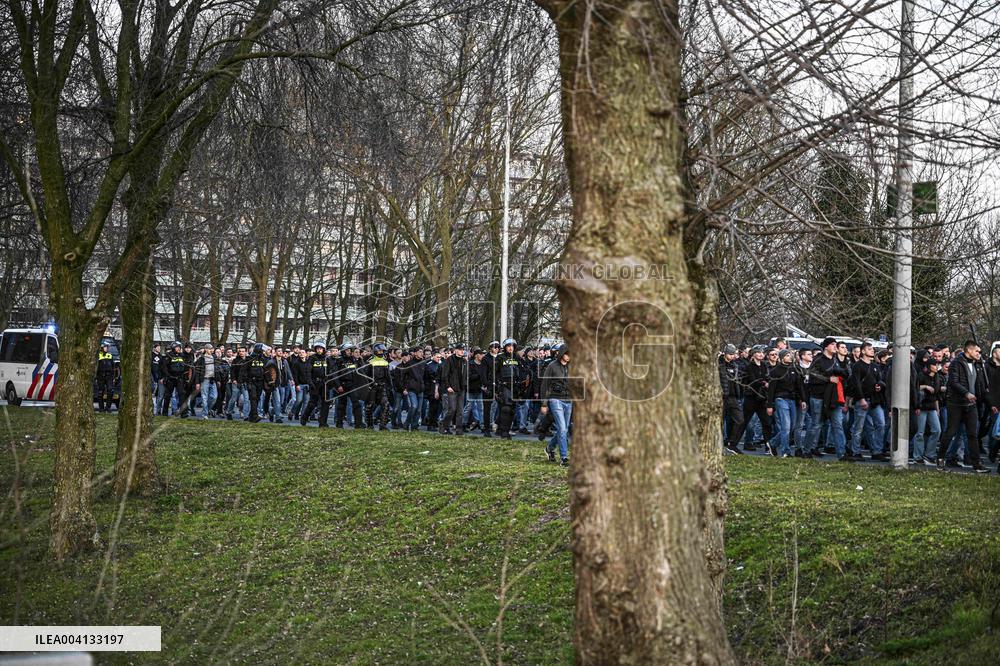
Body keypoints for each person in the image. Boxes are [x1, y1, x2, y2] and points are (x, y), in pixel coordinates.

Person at [936, 339, 990, 473]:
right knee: (950, 432)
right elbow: (953, 382)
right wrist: (966, 393)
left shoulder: (977, 364)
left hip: (971, 404)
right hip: (956, 403)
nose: (979, 354)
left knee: (972, 434)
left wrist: (984, 395)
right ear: (969, 350)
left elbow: (979, 383)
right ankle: (940, 459)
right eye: (977, 351)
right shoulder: (956, 363)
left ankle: (976, 464)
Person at [806, 337, 849, 460]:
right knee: (816, 425)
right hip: (818, 397)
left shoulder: (835, 360)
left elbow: (842, 372)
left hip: (832, 398)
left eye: (836, 344)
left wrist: (844, 371)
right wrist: (828, 379)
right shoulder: (818, 359)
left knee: (838, 425)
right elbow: (812, 375)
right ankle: (807, 450)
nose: (835, 346)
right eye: (833, 344)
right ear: (826, 346)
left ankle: (842, 453)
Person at [848, 341, 888, 461]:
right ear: (863, 351)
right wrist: (861, 399)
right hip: (862, 400)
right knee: (859, 427)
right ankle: (855, 451)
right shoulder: (858, 366)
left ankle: (877, 450)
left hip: (874, 400)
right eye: (869, 349)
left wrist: (879, 386)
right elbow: (856, 384)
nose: (872, 351)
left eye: (872, 349)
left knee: (881, 424)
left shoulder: (875, 365)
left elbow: (880, 380)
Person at [766, 349, 806, 458]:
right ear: (782, 357)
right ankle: (785, 451)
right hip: (780, 399)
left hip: (792, 399)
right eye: (787, 355)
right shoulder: (776, 371)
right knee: (786, 426)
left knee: (791, 426)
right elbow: (771, 389)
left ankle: (772, 443)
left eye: (790, 355)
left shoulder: (794, 369)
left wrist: (803, 399)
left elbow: (799, 386)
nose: (790, 357)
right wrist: (769, 405)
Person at [540, 343, 572, 466]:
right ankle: (564, 457)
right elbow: (545, 385)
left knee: (564, 429)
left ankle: (549, 448)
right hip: (555, 399)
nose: (569, 356)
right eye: (567, 354)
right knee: (562, 428)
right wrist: (544, 403)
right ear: (562, 354)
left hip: (569, 400)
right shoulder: (552, 366)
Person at [912, 357, 943, 465]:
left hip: (932, 407)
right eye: (935, 365)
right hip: (921, 406)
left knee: (937, 430)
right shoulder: (921, 375)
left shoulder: (937, 377)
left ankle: (929, 454)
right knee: (920, 432)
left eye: (938, 365)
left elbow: (936, 395)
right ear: (929, 366)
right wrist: (925, 386)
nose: (937, 367)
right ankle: (917, 456)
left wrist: (937, 409)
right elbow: (915, 388)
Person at [741, 346, 772, 453]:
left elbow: (767, 377)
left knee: (766, 423)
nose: (761, 354)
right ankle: (734, 443)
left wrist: (766, 382)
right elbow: (753, 380)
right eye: (758, 352)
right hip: (751, 397)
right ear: (753, 354)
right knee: (746, 422)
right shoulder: (749, 366)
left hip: (761, 398)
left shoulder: (764, 365)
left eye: (762, 352)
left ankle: (769, 446)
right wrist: (764, 383)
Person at [719, 344, 745, 454]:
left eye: (734, 354)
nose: (733, 356)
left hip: (733, 397)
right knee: (720, 422)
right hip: (722, 397)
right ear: (725, 353)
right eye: (730, 354)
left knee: (740, 420)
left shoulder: (734, 365)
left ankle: (732, 444)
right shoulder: (719, 364)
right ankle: (719, 445)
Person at [438, 343, 469, 435]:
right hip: (452, 388)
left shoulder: (464, 361)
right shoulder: (449, 360)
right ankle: (443, 424)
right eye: (460, 349)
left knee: (460, 411)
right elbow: (445, 375)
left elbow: (466, 375)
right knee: (452, 409)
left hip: (461, 388)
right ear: (456, 350)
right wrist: (448, 386)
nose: (462, 351)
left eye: (463, 350)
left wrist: (465, 385)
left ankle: (459, 429)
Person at [495, 338, 522, 439]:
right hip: (504, 386)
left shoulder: (517, 358)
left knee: (512, 410)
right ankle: (504, 432)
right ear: (505, 347)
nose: (510, 348)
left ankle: (502, 428)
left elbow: (523, 371)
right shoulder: (500, 358)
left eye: (512, 346)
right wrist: (496, 386)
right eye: (508, 346)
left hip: (515, 386)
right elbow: (494, 372)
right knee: (506, 409)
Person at [301, 341, 332, 427]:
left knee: (325, 403)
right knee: (312, 403)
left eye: (321, 349)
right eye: (318, 349)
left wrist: (329, 382)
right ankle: (304, 417)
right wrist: (310, 383)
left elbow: (330, 371)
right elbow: (308, 372)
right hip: (315, 383)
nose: (319, 350)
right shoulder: (312, 358)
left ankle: (323, 422)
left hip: (325, 383)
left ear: (323, 350)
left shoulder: (327, 358)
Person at [363, 343, 393, 430]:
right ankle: (369, 425)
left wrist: (390, 387)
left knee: (385, 404)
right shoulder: (370, 361)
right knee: (370, 405)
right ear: (375, 351)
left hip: (382, 386)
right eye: (379, 351)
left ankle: (383, 425)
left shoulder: (385, 362)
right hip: (372, 387)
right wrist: (368, 386)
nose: (381, 352)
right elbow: (365, 375)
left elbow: (388, 376)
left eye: (382, 351)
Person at [335, 344, 365, 428]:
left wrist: (360, 360)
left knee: (356, 404)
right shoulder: (339, 360)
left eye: (350, 350)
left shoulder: (353, 360)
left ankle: (358, 424)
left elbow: (360, 370)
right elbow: (335, 374)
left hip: (352, 385)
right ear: (343, 351)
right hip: (342, 385)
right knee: (341, 405)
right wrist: (338, 385)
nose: (349, 352)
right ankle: (339, 423)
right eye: (347, 350)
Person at [160, 341, 189, 417]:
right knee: (167, 395)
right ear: (173, 347)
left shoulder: (182, 355)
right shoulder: (169, 355)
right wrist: (168, 376)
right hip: (171, 378)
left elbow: (186, 366)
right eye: (177, 347)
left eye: (180, 347)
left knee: (182, 395)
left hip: (180, 378)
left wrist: (184, 376)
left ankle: (183, 413)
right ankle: (165, 412)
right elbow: (164, 367)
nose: (179, 348)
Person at [401, 347, 426, 431]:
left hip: (421, 388)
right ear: (415, 353)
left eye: (422, 352)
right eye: (420, 351)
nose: (422, 353)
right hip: (411, 389)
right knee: (414, 406)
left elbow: (427, 375)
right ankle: (407, 423)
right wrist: (404, 388)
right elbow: (403, 376)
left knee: (419, 410)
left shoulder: (423, 363)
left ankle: (414, 426)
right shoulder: (409, 363)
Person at [245, 343, 268, 423]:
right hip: (252, 381)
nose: (263, 351)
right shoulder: (249, 359)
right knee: (253, 398)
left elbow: (265, 370)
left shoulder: (263, 359)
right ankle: (255, 416)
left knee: (257, 398)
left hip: (260, 381)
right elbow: (244, 371)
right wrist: (246, 381)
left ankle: (251, 416)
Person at [193, 344, 217, 419]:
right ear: (206, 349)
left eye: (212, 349)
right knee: (204, 397)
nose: (211, 350)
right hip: (204, 379)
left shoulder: (214, 357)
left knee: (214, 397)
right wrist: (197, 382)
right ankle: (205, 414)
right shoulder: (202, 358)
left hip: (212, 379)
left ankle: (208, 409)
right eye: (210, 349)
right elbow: (197, 371)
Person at [226, 347, 249, 420]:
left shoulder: (248, 360)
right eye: (240, 351)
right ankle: (229, 412)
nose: (241, 352)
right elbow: (232, 371)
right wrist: (233, 380)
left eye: (243, 351)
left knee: (246, 399)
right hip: (236, 382)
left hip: (245, 383)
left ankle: (246, 416)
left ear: (246, 352)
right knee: (233, 398)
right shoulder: (235, 360)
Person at [95, 342, 116, 413]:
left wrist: (113, 377)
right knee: (100, 392)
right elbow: (95, 367)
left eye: (107, 347)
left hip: (109, 376)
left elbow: (113, 367)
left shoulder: (110, 356)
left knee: (110, 391)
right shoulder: (98, 356)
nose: (107, 348)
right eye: (105, 347)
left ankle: (108, 407)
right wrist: (96, 377)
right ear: (102, 348)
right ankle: (101, 408)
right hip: (100, 376)